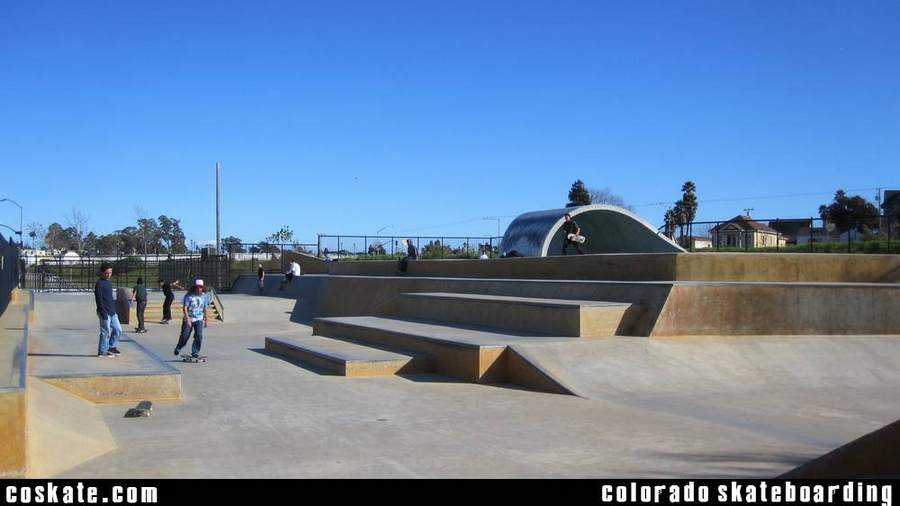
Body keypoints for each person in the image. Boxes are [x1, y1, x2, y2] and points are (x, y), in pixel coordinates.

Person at [174, 279, 208, 359]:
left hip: (199, 318)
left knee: (199, 335)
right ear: (194, 287)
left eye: (200, 287)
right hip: (188, 317)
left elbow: (205, 308)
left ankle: (195, 352)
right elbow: (185, 308)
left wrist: (206, 319)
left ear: (203, 288)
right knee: (185, 335)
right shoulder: (189, 296)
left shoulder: (205, 296)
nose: (199, 289)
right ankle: (179, 346)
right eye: (197, 287)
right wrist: (188, 319)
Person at [94, 263, 121, 357]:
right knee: (105, 332)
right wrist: (103, 313)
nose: (109, 275)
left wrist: (115, 310)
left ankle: (111, 347)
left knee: (118, 329)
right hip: (104, 312)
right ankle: (102, 351)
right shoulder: (99, 284)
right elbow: (99, 300)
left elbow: (110, 298)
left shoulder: (108, 283)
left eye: (110, 273)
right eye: (107, 273)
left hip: (112, 311)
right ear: (102, 272)